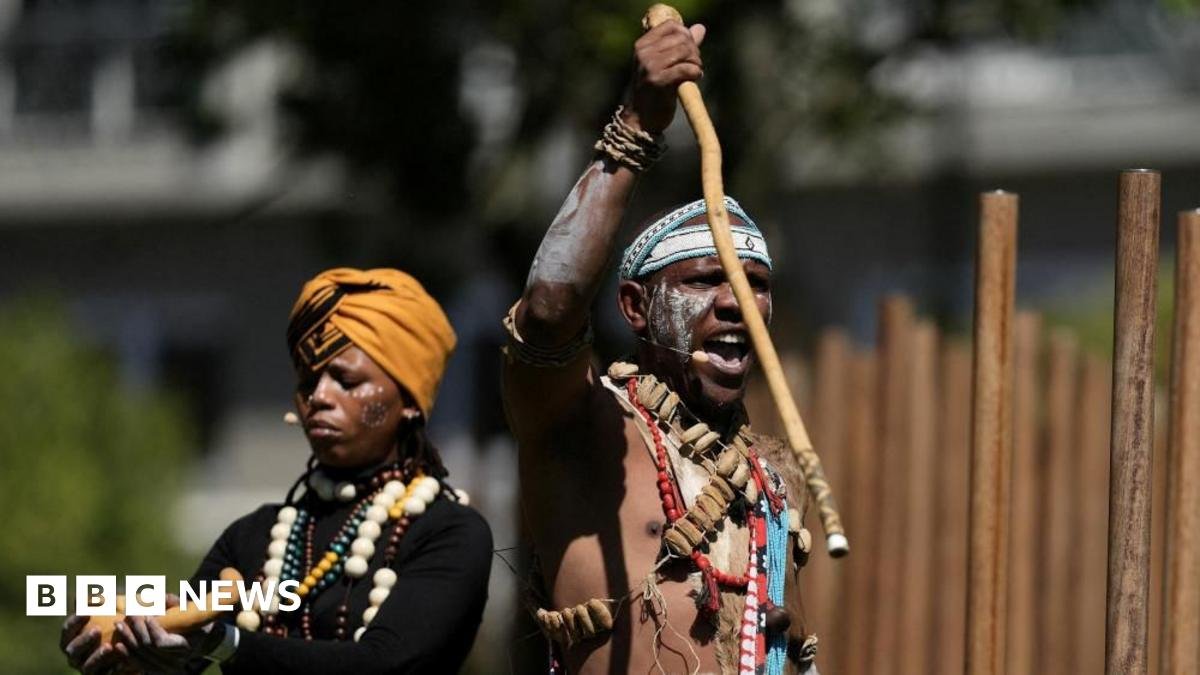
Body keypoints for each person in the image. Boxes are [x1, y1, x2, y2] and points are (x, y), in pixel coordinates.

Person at [503, 18, 820, 675]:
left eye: (754, 284)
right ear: (635, 308)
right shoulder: (586, 426)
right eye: (708, 280)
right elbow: (548, 309)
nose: (737, 300)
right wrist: (638, 122)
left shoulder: (771, 474)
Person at [60, 268, 493, 674]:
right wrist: (131, 654)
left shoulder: (450, 532)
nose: (319, 396)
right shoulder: (251, 539)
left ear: (410, 400)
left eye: (345, 380)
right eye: (307, 383)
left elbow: (382, 663)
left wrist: (223, 641)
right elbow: (182, 647)